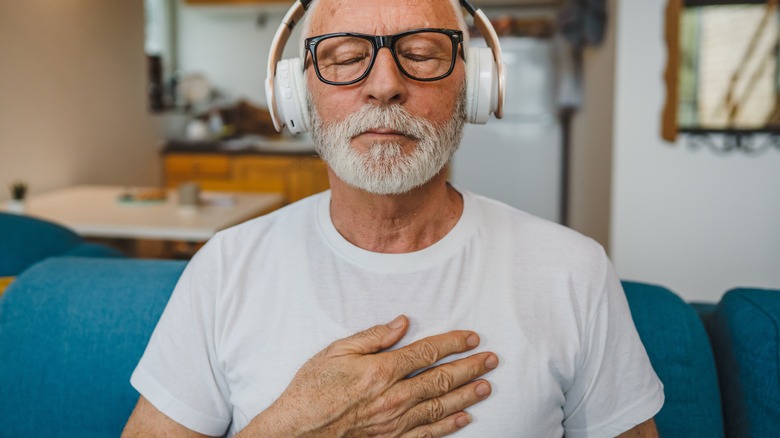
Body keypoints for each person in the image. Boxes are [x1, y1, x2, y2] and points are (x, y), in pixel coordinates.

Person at [123, 0, 664, 436]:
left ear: (472, 86)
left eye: (423, 54)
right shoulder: (225, 268)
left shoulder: (573, 270)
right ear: (297, 93)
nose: (384, 85)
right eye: (344, 56)